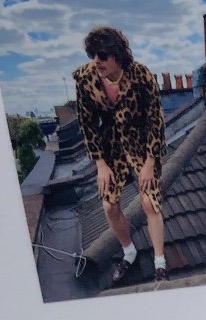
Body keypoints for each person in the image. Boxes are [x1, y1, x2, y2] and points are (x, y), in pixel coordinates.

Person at [73, 27, 168, 284]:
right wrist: (100, 164)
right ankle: (129, 252)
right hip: (111, 146)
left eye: (102, 55)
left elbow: (155, 119)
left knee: (149, 202)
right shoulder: (85, 79)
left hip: (141, 142)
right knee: (108, 205)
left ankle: (160, 264)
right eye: (93, 55)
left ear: (117, 55)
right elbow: (87, 124)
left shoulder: (140, 75)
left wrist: (150, 162)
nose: (96, 61)